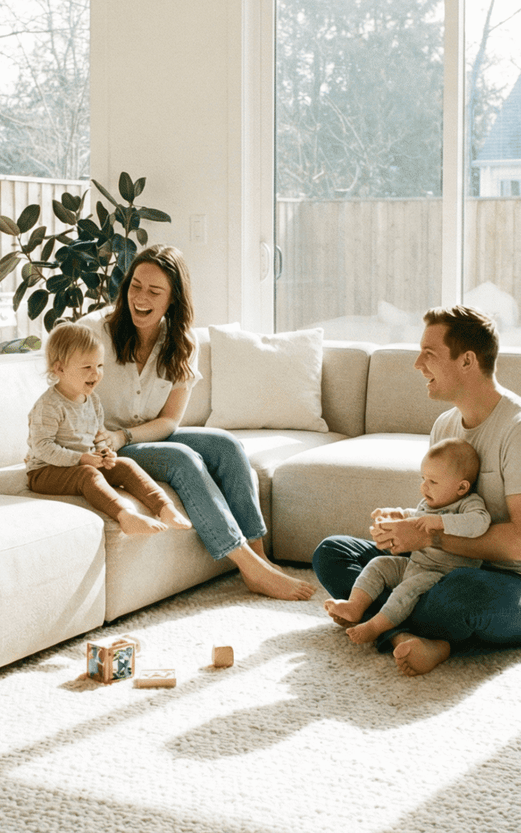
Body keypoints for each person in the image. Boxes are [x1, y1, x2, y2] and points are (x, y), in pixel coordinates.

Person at [312, 305, 521, 675]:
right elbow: (439, 512)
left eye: (429, 354)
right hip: (444, 566)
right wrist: (402, 526)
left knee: (459, 592)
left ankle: (398, 629)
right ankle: (409, 637)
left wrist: (425, 538)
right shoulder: (446, 426)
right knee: (334, 553)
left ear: (467, 361)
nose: (417, 363)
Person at [92, 244, 314, 601]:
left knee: (226, 445)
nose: (140, 298)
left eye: (154, 291)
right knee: (182, 458)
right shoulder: (97, 331)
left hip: (138, 436)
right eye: (135, 286)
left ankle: (260, 559)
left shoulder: (182, 343)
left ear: (172, 300)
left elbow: (168, 421)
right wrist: (109, 439)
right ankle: (248, 566)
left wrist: (125, 436)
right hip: (103, 447)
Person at [25, 322, 190, 536]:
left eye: (100, 366)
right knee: (87, 475)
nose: (96, 373)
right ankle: (126, 516)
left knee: (126, 465)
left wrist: (104, 453)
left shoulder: (92, 400)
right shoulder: (49, 406)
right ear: (60, 369)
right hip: (45, 471)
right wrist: (82, 458)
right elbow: (42, 448)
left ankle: (165, 508)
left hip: (81, 462)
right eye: (87, 367)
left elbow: (98, 435)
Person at [323, 437, 490, 644]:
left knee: (406, 589)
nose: (424, 487)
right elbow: (417, 517)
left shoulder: (468, 504)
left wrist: (440, 522)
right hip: (415, 564)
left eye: (433, 482)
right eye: (423, 479)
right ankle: (355, 606)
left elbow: (480, 523)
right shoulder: (429, 502)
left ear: (462, 488)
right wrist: (399, 514)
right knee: (378, 564)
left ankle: (376, 626)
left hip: (441, 575)